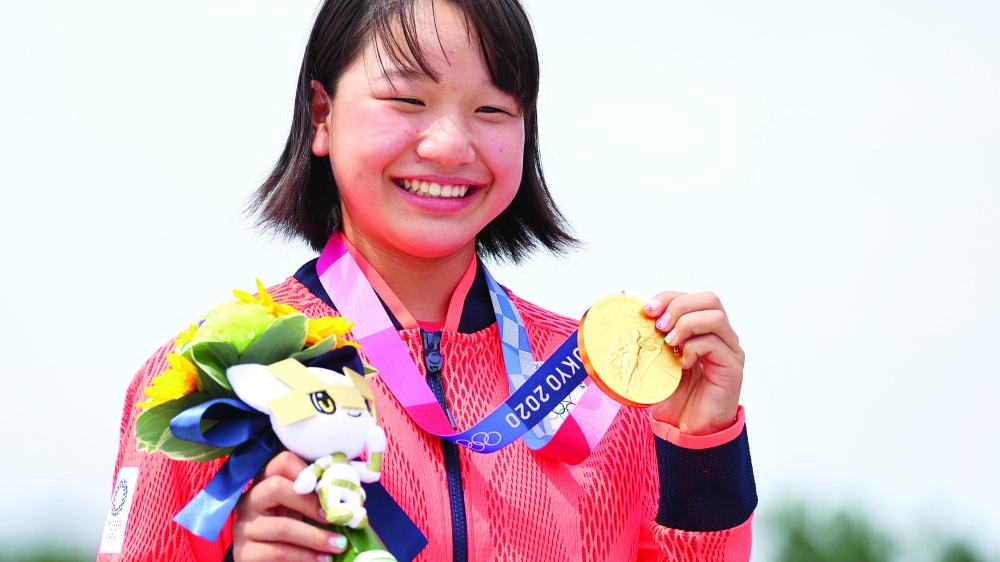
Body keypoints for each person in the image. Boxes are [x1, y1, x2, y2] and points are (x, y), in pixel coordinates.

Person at [98, 0, 756, 560]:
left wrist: (701, 448)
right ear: (322, 115)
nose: (449, 145)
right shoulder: (206, 380)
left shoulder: (605, 378)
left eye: (492, 111)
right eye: (406, 100)